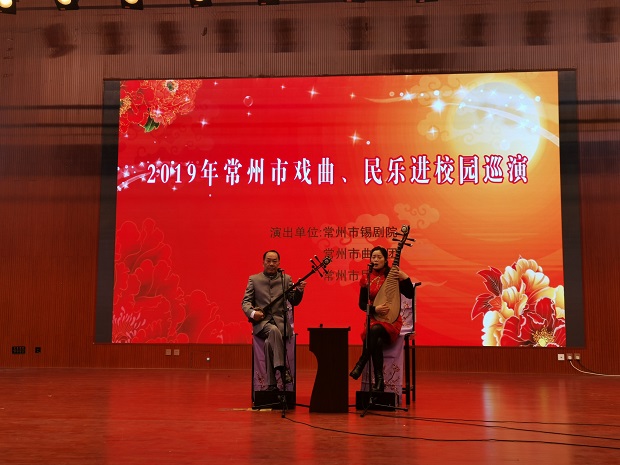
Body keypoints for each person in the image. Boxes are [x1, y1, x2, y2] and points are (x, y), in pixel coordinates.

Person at [349, 246, 415, 391]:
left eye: (379, 257)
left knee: (375, 330)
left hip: (391, 322)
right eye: (373, 257)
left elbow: (410, 294)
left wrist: (405, 277)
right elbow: (361, 304)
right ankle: (379, 380)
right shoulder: (366, 279)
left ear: (385, 260)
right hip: (374, 319)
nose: (376, 259)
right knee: (376, 339)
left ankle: (361, 362)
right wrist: (374, 309)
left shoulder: (393, 276)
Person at [242, 250, 306, 391]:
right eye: (268, 261)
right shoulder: (254, 279)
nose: (271, 264)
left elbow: (294, 301)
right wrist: (253, 313)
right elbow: (245, 302)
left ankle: (272, 384)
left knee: (270, 341)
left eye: (274, 261)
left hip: (281, 324)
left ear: (279, 263)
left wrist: (300, 290)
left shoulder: (286, 279)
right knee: (273, 330)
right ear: (263, 262)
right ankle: (283, 370)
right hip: (262, 324)